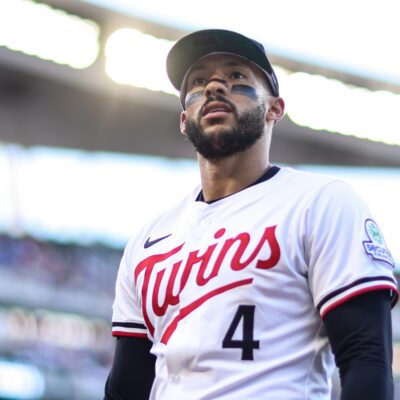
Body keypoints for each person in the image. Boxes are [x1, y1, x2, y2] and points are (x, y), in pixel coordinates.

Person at [104, 29, 399, 400]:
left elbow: (366, 360)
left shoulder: (321, 203)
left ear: (275, 108)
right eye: (197, 82)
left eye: (236, 76)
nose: (214, 86)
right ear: (184, 120)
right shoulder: (147, 242)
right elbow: (126, 386)